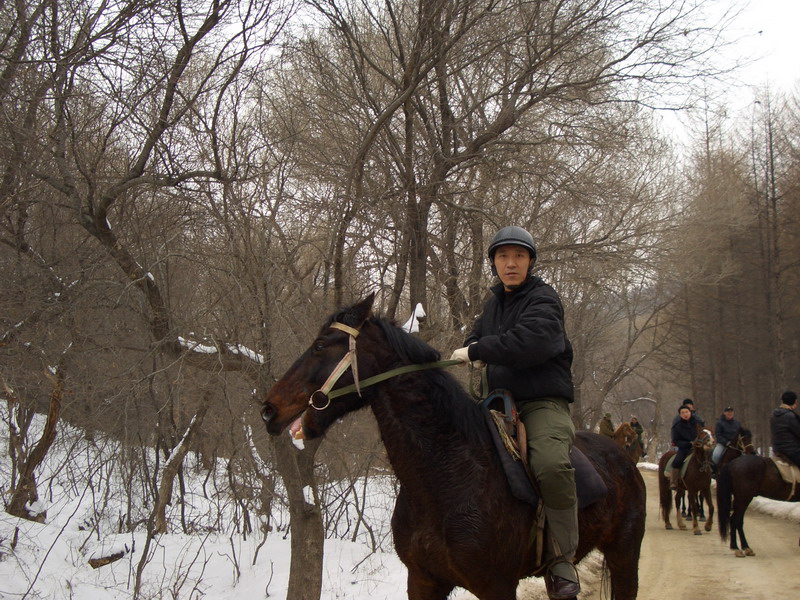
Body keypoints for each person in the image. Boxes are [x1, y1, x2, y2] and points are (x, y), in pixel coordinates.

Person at [449, 225, 579, 600]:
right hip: (494, 403)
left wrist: (479, 351)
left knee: (552, 465)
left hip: (540, 403)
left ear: (530, 262)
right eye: (503, 256)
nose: (511, 263)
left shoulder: (544, 299)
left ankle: (562, 560)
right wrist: (473, 344)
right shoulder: (493, 305)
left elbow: (533, 342)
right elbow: (475, 335)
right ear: (493, 263)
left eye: (519, 256)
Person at [770, 391, 800, 469]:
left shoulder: (774, 415)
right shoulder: (790, 416)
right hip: (791, 451)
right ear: (795, 402)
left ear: (782, 401)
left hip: (777, 449)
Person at [670, 405, 696, 490]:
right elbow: (675, 440)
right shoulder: (677, 426)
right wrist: (686, 444)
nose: (685, 414)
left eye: (687, 412)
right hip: (684, 449)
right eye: (682, 413)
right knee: (677, 461)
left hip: (698, 447)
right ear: (680, 415)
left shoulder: (697, 423)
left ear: (690, 413)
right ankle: (674, 481)